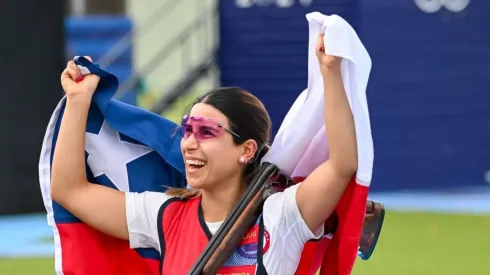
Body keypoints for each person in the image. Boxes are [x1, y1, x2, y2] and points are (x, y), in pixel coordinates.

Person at [51, 33, 358, 274]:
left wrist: (330, 72)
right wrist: (78, 101)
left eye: (206, 132)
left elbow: (343, 165)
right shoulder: (165, 215)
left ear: (246, 150)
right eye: (186, 130)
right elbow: (69, 190)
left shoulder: (282, 215)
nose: (188, 143)